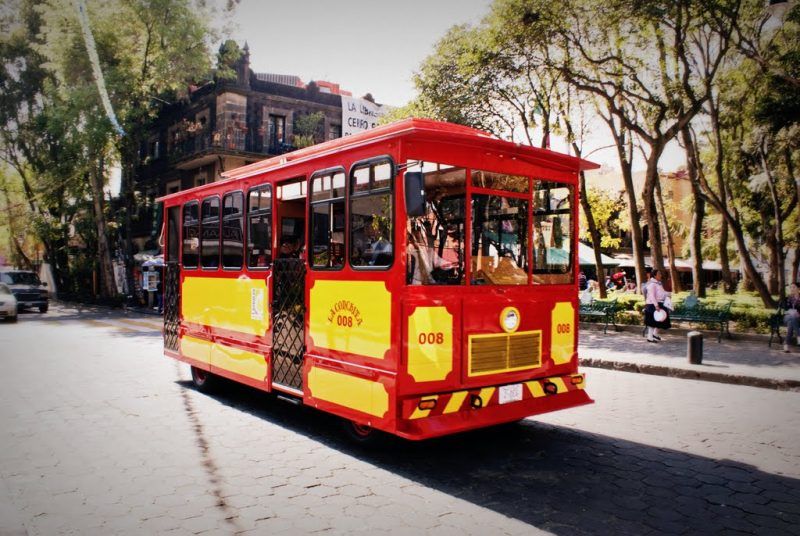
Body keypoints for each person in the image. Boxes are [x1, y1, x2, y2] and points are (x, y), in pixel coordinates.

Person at [644, 268, 671, 342]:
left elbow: (661, 293)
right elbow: (652, 296)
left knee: (661, 320)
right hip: (652, 304)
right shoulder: (652, 284)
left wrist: (668, 294)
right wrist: (656, 305)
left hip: (660, 303)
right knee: (652, 322)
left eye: (660, 273)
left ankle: (655, 334)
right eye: (659, 274)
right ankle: (649, 337)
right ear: (654, 275)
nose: (660, 275)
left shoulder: (658, 283)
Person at [782, 282, 800, 353]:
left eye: (794, 287)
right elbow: (785, 309)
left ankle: (786, 345)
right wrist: (792, 312)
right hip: (787, 317)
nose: (792, 289)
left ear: (798, 288)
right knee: (792, 316)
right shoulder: (788, 298)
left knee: (791, 323)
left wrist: (798, 313)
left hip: (797, 318)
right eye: (791, 287)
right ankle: (799, 336)